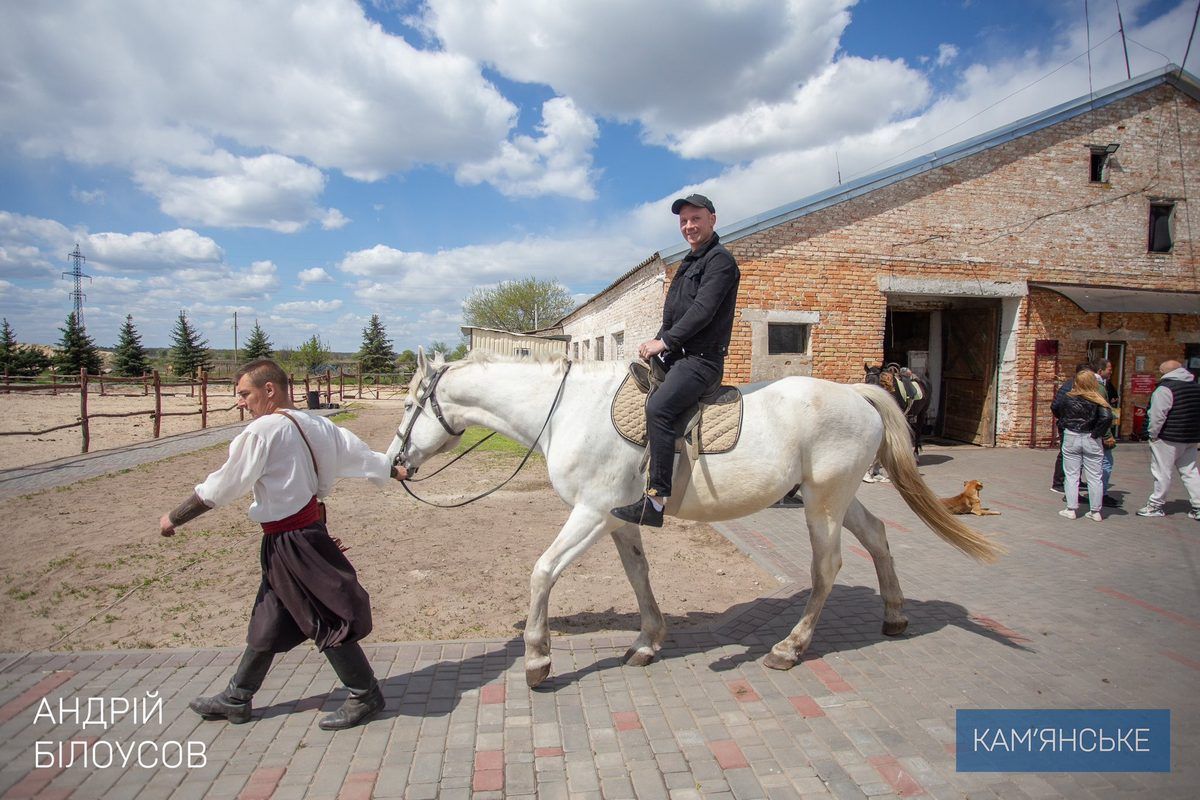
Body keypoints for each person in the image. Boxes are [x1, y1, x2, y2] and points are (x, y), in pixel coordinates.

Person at [159, 359, 408, 729]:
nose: (240, 402)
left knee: (323, 614)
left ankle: (365, 694)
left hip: (296, 541)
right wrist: (391, 469)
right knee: (271, 614)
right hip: (295, 537)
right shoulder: (320, 424)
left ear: (269, 390)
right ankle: (237, 696)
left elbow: (223, 485)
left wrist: (174, 517)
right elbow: (358, 456)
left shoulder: (264, 431)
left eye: (245, 394)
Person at [611, 193, 740, 527]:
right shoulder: (689, 262)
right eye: (683, 221)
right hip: (678, 356)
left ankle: (655, 500)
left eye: (695, 218)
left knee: (659, 408)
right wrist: (659, 341)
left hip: (702, 362)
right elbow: (674, 314)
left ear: (712, 219)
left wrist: (664, 341)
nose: (689, 226)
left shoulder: (720, 262)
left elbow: (702, 311)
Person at [1135, 359, 1200, 519]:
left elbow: (1157, 415)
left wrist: (1152, 434)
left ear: (1166, 373)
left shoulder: (1165, 388)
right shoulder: (1195, 387)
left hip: (1168, 437)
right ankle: (1198, 505)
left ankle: (1155, 504)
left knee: (1162, 471)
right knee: (1190, 471)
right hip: (1190, 436)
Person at [1050, 369, 1113, 521]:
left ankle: (1071, 509)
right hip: (1091, 437)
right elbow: (1107, 417)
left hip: (1072, 435)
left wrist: (1066, 423)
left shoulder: (1068, 398)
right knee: (1095, 476)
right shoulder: (1098, 399)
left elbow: (1056, 409)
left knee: (1071, 474)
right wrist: (1097, 433)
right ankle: (1095, 511)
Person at [1050, 363, 1090, 494]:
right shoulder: (1069, 387)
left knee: (1076, 455)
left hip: (1076, 427)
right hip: (1068, 427)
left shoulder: (1081, 387)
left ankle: (1075, 480)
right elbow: (1056, 406)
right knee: (1065, 454)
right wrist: (1065, 419)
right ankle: (1059, 482)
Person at [1091, 356, 1122, 507]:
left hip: (1088, 432)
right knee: (1105, 463)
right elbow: (1103, 414)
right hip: (1097, 433)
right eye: (1109, 369)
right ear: (1100, 370)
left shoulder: (1091, 385)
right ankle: (1100, 496)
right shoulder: (1099, 387)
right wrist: (1107, 435)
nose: (1111, 372)